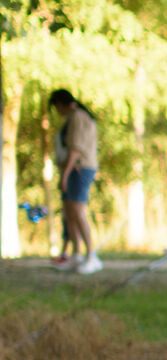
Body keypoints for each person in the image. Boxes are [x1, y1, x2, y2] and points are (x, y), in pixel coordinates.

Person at [49, 89, 101, 274]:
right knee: (69, 212)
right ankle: (77, 255)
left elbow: (75, 149)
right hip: (73, 169)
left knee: (77, 211)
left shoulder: (78, 117)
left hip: (80, 168)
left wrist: (64, 175)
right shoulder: (74, 117)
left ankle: (91, 255)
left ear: (60, 104)